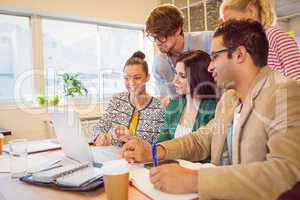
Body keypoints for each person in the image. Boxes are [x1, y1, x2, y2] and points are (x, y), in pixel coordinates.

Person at [121, 20, 300, 200]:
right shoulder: (230, 99)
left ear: (239, 54)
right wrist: (153, 151)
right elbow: (202, 140)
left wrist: (194, 180)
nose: (209, 67)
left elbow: (285, 172)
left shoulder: (284, 93)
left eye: (215, 57)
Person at [92, 51, 165, 146]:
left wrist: (130, 139)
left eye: (137, 78)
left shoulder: (159, 108)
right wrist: (100, 137)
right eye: (127, 78)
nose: (131, 82)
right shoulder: (117, 100)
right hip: (114, 156)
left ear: (147, 77)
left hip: (142, 160)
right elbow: (99, 127)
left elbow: (158, 145)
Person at [145, 4, 213, 104]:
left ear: (177, 30)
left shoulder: (209, 41)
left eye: (162, 36)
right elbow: (163, 100)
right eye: (154, 37)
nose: (158, 42)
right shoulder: (159, 64)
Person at [220, 0, 300, 81]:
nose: (229, 29)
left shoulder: (274, 36)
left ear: (251, 11)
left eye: (231, 22)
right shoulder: (247, 47)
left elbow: (297, 79)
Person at [158, 50, 216, 142]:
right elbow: (160, 143)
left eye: (182, 76)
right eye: (176, 73)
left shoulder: (213, 109)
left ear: (199, 77)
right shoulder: (173, 106)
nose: (174, 81)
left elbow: (206, 150)